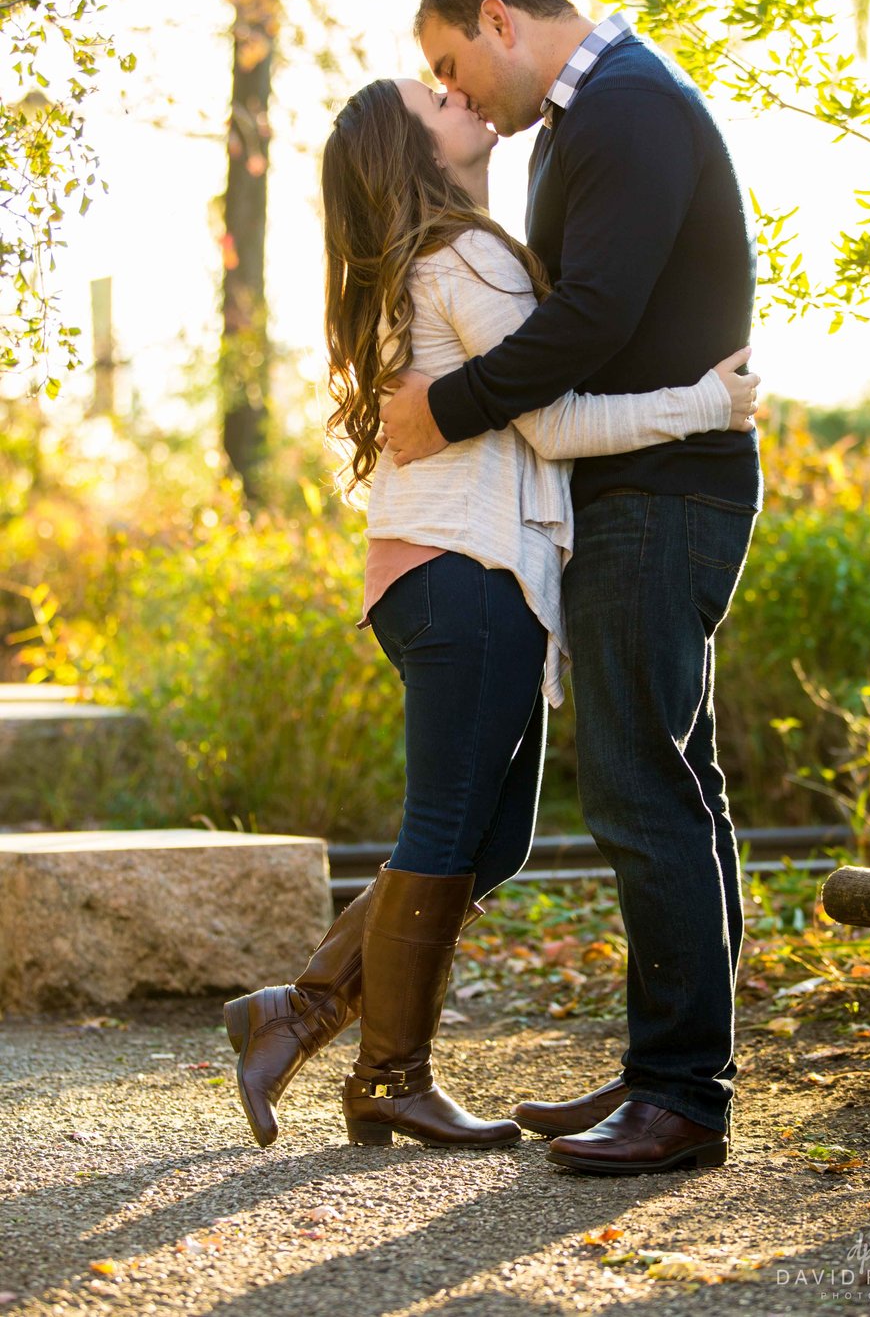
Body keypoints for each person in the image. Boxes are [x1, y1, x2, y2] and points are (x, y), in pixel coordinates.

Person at [223, 71, 759, 1155]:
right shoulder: (464, 256)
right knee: (446, 832)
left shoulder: (411, 265)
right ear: (419, 153)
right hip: (468, 570)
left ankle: (305, 1009)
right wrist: (705, 403)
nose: (459, 97)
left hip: (438, 570)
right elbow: (551, 420)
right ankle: (386, 1074)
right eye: (437, 100)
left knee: (491, 839)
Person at [379, 0, 764, 1176]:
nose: (459, 95)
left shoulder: (630, 108)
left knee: (639, 785)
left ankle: (679, 1093)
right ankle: (674, 1062)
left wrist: (448, 406)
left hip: (663, 494)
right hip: (636, 487)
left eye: (451, 65)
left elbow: (588, 317)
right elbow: (592, 321)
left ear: (498, 18)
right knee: (672, 778)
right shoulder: (582, 123)